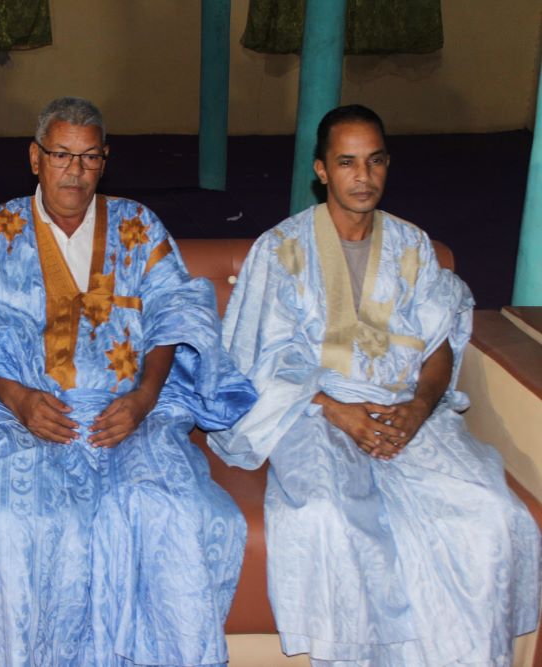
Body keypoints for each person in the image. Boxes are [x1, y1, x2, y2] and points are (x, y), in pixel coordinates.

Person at [0, 97, 257, 666]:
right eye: (61, 155)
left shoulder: (137, 225)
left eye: (89, 157)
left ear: (105, 160)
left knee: (169, 510)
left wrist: (145, 398)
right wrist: (18, 399)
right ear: (36, 158)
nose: (75, 170)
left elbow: (176, 312)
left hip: (129, 413)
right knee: (11, 519)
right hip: (16, 416)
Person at [210, 104, 540, 665]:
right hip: (311, 412)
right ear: (321, 170)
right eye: (346, 162)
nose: (362, 177)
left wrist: (419, 408)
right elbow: (254, 360)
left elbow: (439, 344)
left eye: (375, 161)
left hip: (406, 409)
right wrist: (336, 410)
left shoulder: (414, 247)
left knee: (491, 513)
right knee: (328, 516)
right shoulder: (282, 249)